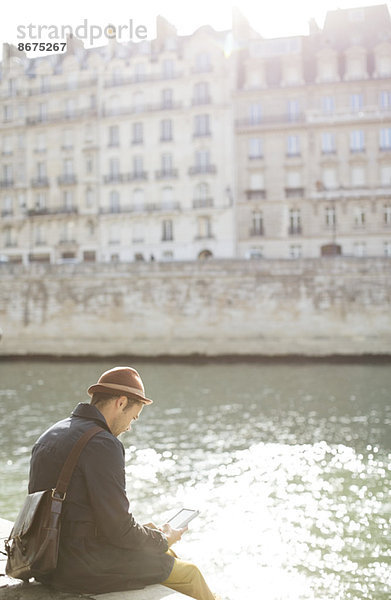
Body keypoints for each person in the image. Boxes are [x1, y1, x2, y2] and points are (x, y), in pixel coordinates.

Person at [28, 366, 218, 600]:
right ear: (120, 402)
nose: (129, 427)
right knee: (190, 573)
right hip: (83, 568)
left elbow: (76, 512)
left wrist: (149, 536)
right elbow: (119, 530)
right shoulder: (103, 444)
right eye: (133, 417)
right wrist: (162, 537)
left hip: (46, 561)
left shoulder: (51, 434)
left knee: (164, 552)